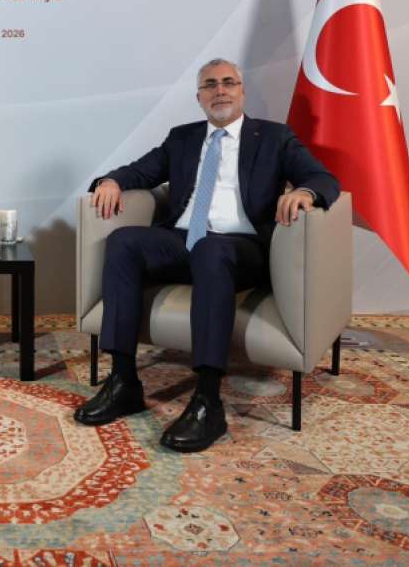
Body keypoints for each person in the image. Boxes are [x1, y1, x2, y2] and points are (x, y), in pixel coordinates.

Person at [74, 58, 338, 452]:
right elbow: (141, 171)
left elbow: (323, 178)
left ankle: (208, 400)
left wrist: (304, 192)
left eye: (228, 82)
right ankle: (124, 381)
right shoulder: (182, 138)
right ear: (199, 97)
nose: (220, 90)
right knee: (124, 241)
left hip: (240, 248)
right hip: (184, 240)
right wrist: (110, 181)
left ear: (242, 91)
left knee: (212, 249)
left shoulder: (274, 137)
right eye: (210, 85)